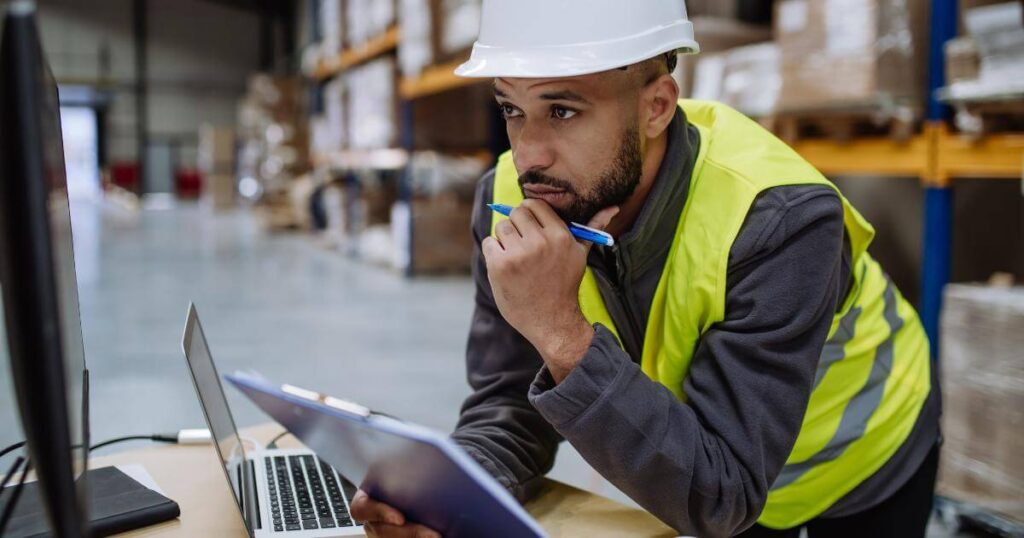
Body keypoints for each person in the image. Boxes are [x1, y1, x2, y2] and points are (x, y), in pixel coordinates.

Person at [350, 1, 940, 536]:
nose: (528, 154)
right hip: (708, 465)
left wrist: (561, 333)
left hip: (862, 453)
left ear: (656, 106)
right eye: (512, 108)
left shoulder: (777, 218)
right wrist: (452, 496)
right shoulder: (508, 198)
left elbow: (723, 494)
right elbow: (508, 405)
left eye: (561, 109)